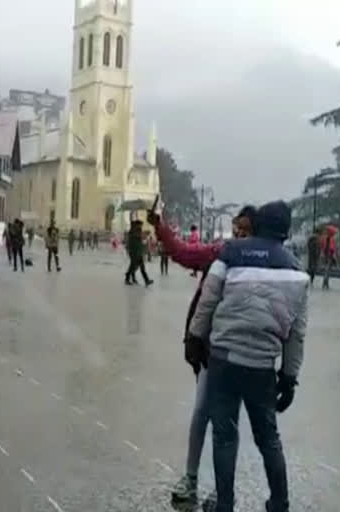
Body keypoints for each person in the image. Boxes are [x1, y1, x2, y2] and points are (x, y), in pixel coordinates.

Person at [187, 201, 307, 512]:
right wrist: (290, 377)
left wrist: (195, 338)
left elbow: (208, 299)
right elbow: (296, 332)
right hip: (262, 367)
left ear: (258, 224)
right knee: (268, 438)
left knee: (224, 435)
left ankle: (224, 504)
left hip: (224, 360)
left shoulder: (231, 253)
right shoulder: (296, 270)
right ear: (286, 230)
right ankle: (279, 503)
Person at [150, 206, 255, 505]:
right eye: (236, 230)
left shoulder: (264, 266)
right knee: (201, 412)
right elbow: (184, 253)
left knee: (228, 421)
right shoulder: (219, 252)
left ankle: (223, 491)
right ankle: (191, 478)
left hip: (239, 352)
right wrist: (161, 228)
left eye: (244, 231)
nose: (238, 236)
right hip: (210, 349)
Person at [125, 220, 153, 286]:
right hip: (134, 252)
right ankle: (127, 278)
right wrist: (144, 234)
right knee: (132, 266)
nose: (141, 226)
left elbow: (141, 238)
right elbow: (139, 236)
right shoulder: (133, 231)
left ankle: (146, 280)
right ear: (137, 224)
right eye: (140, 224)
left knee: (142, 267)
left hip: (139, 252)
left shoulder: (137, 231)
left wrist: (144, 235)